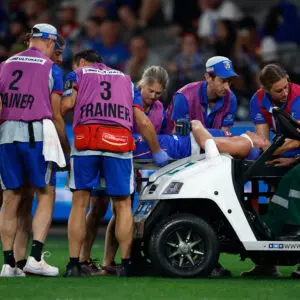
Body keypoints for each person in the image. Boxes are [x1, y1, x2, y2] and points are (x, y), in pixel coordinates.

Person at [61, 49, 169, 277]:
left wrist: (53, 116)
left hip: (87, 141)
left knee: (81, 203)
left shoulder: (77, 74)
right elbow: (142, 121)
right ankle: (127, 264)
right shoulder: (126, 81)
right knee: (122, 206)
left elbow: (67, 105)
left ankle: (74, 265)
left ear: (80, 62)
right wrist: (157, 152)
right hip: (118, 142)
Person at [0, 23, 70, 277]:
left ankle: (8, 263)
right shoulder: (51, 68)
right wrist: (65, 147)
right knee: (45, 192)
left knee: (11, 198)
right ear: (50, 42)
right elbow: (55, 114)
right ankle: (36, 258)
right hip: (36, 135)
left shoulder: (5, 64)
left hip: (6, 135)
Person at [242, 63, 300, 277]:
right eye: (278, 90)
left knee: (292, 182)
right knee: (261, 182)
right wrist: (268, 154)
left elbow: (296, 140)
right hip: (284, 152)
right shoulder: (258, 100)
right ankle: (267, 262)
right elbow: (263, 141)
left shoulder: (298, 97)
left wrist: (291, 159)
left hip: (295, 152)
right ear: (266, 90)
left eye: (286, 87)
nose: (285, 93)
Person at [170, 56, 238, 132]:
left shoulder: (230, 98)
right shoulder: (184, 96)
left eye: (229, 81)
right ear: (208, 77)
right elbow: (179, 136)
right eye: (223, 81)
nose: (227, 87)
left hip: (210, 142)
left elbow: (224, 134)